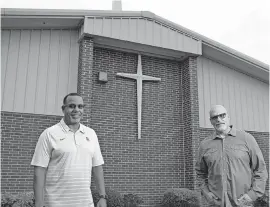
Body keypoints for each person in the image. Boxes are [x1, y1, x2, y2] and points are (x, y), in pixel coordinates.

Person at [31, 93, 107, 207]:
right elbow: (39, 170)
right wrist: (39, 203)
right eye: (72, 106)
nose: (76, 110)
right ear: (63, 109)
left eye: (80, 106)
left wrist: (102, 197)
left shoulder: (91, 134)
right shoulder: (49, 134)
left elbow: (97, 167)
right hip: (55, 203)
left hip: (86, 203)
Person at [195, 105, 268, 207]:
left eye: (222, 115)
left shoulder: (246, 139)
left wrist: (252, 195)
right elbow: (200, 174)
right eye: (214, 117)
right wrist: (207, 193)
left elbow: (260, 169)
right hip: (215, 203)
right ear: (210, 121)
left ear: (228, 117)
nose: (219, 120)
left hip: (243, 203)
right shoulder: (204, 145)